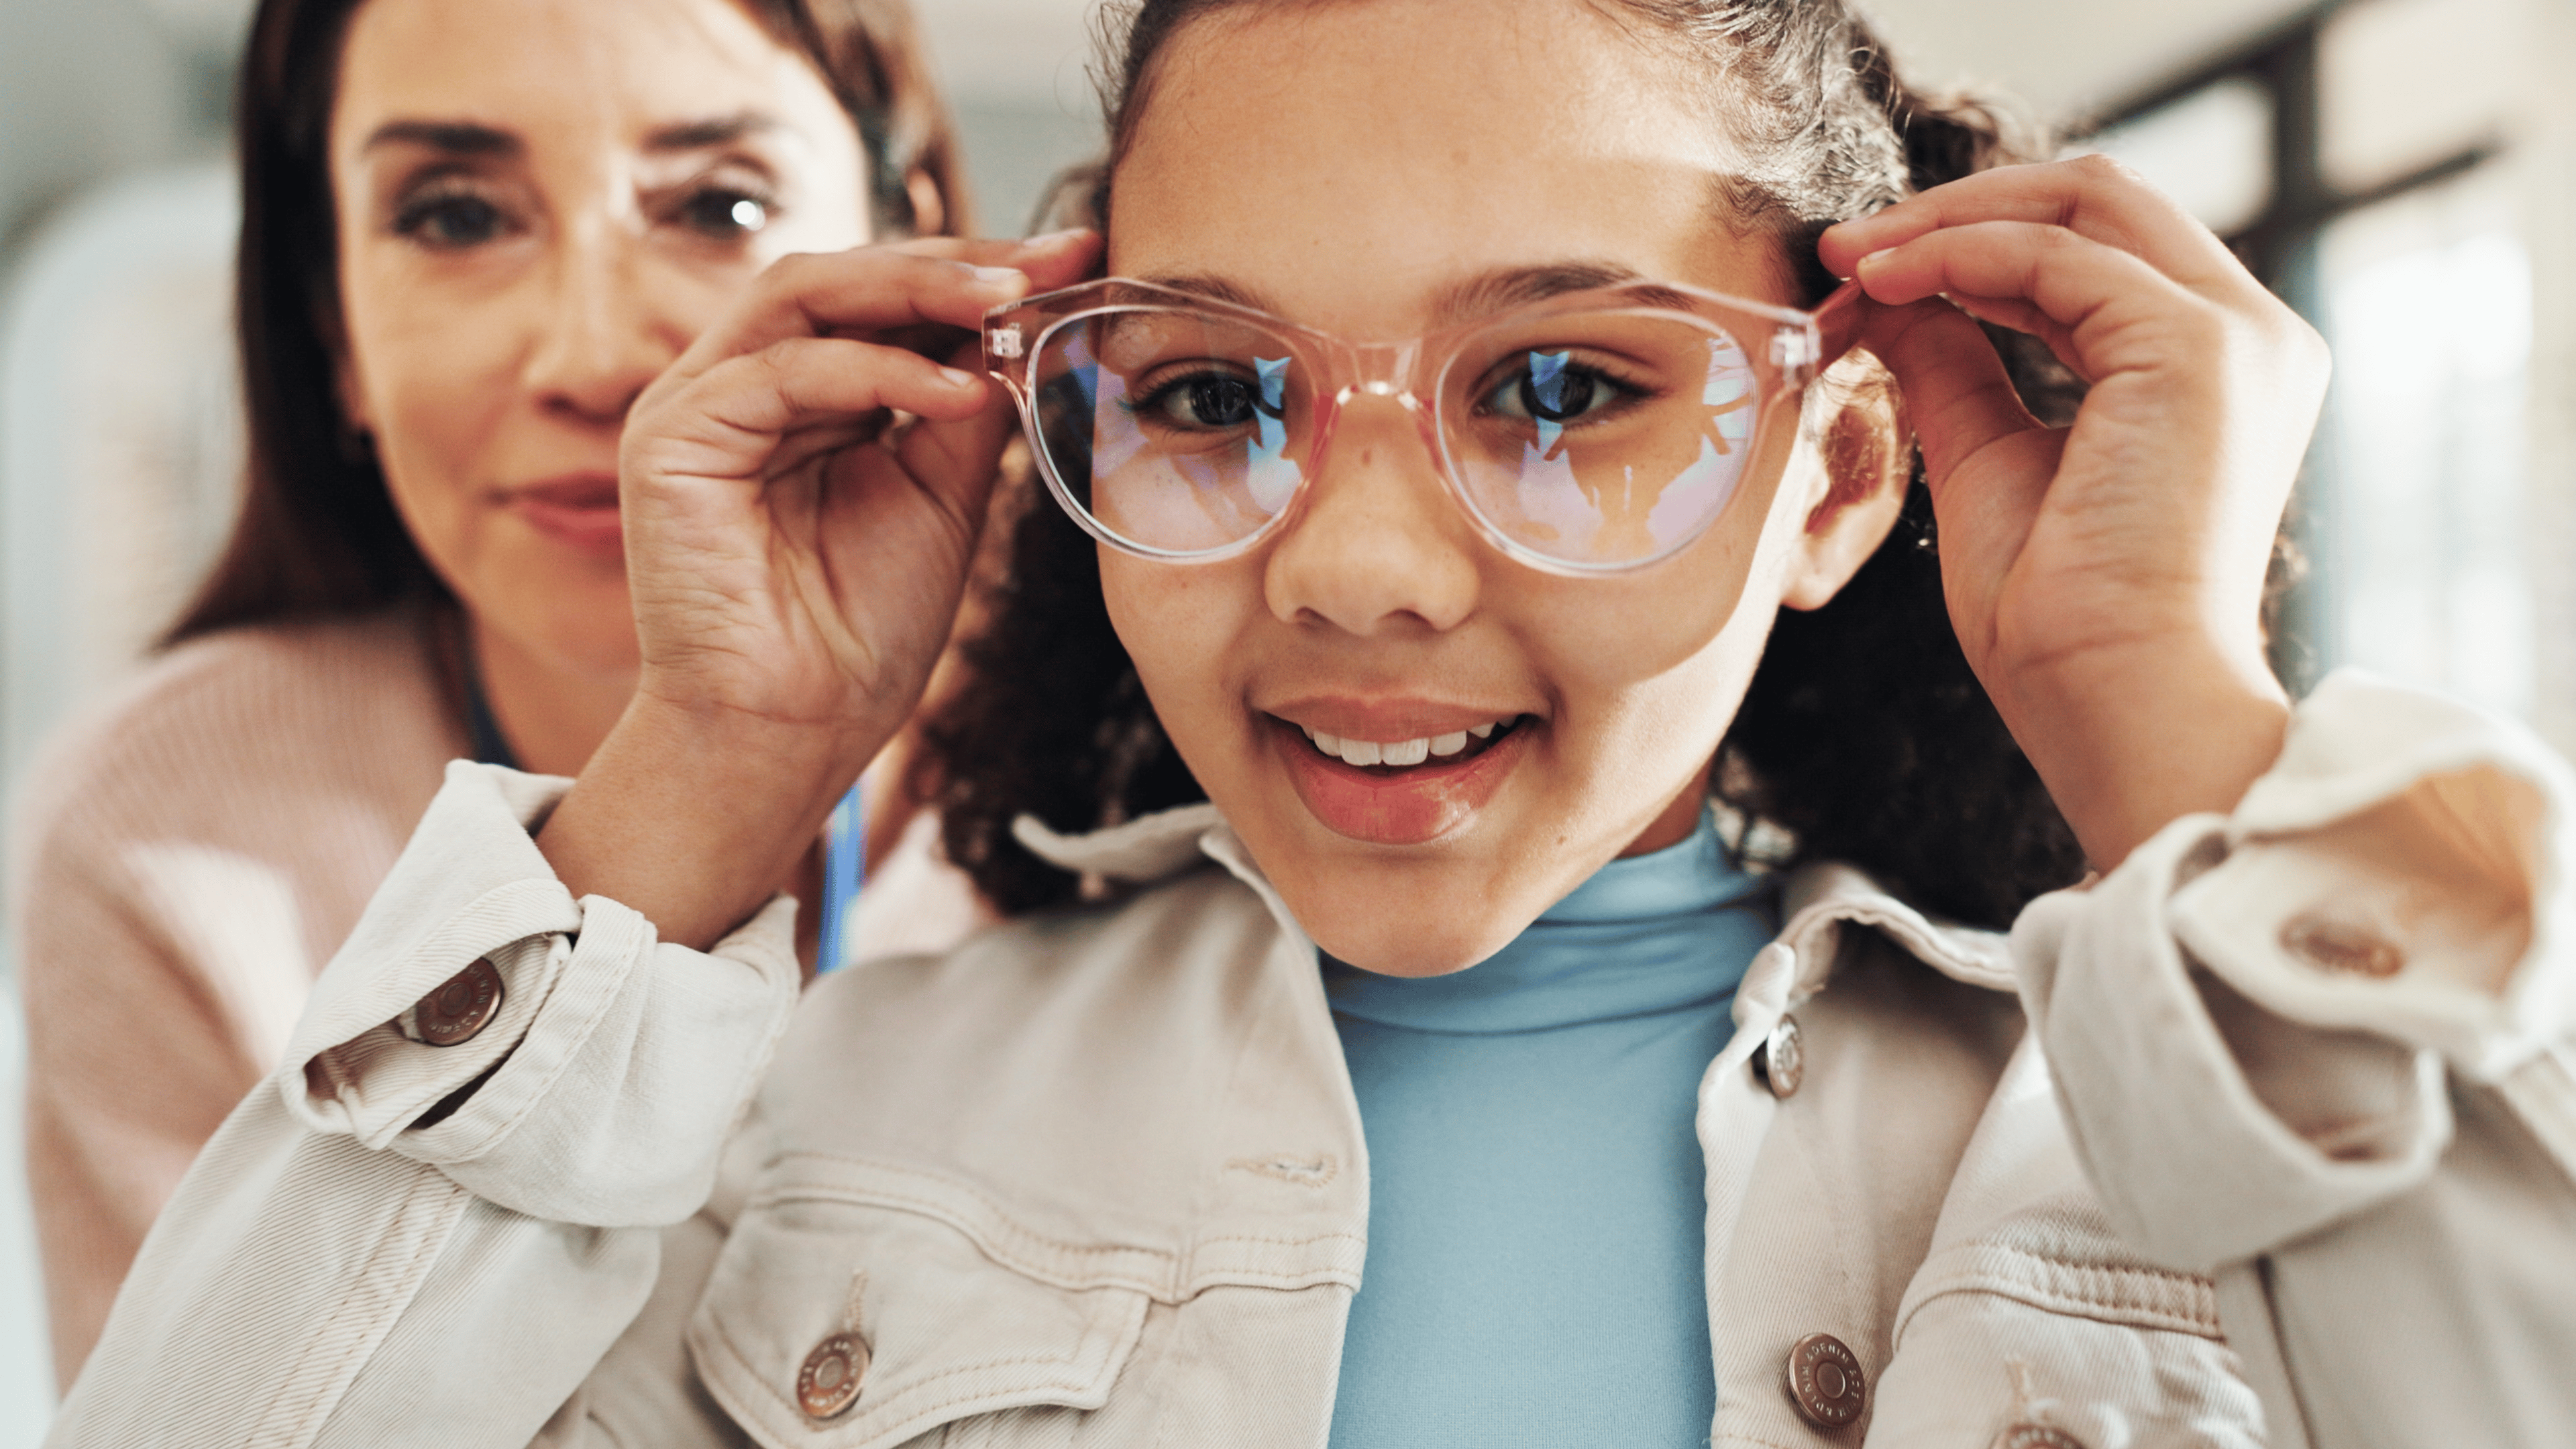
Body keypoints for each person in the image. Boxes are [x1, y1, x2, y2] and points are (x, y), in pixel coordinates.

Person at [50, 0, 2576, 1444]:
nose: (1356, 564)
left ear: (1829, 476)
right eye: (1217, 393)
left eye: (1568, 382)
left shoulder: (2174, 1155)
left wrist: (2174, 720)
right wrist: (703, 774)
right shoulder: (835, 1118)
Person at [7, 0, 988, 1392]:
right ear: (330, 327)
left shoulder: (1161, 772)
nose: (592, 361)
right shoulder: (167, 834)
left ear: (914, 253)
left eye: (720, 202)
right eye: (457, 218)